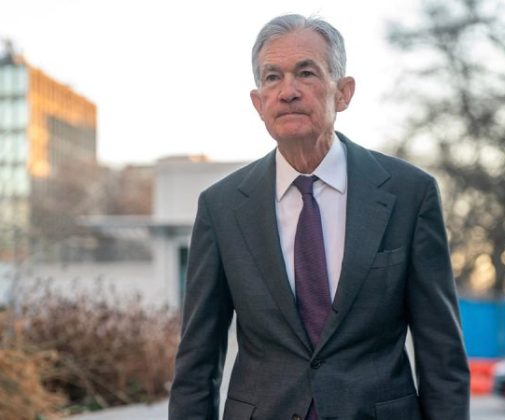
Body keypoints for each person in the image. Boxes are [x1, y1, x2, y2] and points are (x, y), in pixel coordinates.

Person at [169, 14, 470, 420]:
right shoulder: (220, 207)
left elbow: (442, 356)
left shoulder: (409, 194)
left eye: (306, 73)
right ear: (258, 103)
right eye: (272, 77)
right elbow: (197, 361)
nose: (288, 91)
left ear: (343, 93)